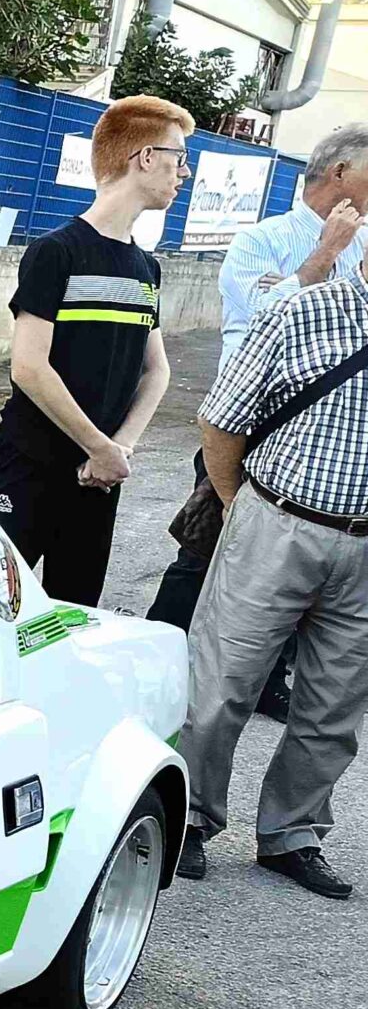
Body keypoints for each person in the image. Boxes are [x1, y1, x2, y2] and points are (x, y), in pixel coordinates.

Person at [175, 267, 368, 900]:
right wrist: (237, 505)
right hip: (277, 521)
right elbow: (222, 419)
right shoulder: (303, 310)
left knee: (333, 707)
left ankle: (293, 835)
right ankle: (191, 818)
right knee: (222, 681)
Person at [147, 124, 366, 649]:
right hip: (248, 430)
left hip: (319, 444)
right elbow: (260, 320)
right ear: (340, 173)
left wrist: (320, 266)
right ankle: (160, 650)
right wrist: (325, 254)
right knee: (208, 551)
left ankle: (268, 678)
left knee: (296, 580)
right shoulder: (261, 240)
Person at [0, 94, 190, 607]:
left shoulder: (146, 268)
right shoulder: (56, 251)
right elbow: (29, 366)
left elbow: (156, 371)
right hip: (27, 468)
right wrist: (98, 445)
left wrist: (119, 451)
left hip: (98, 482)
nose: (183, 172)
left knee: (74, 614)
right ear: (144, 157)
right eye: (178, 157)